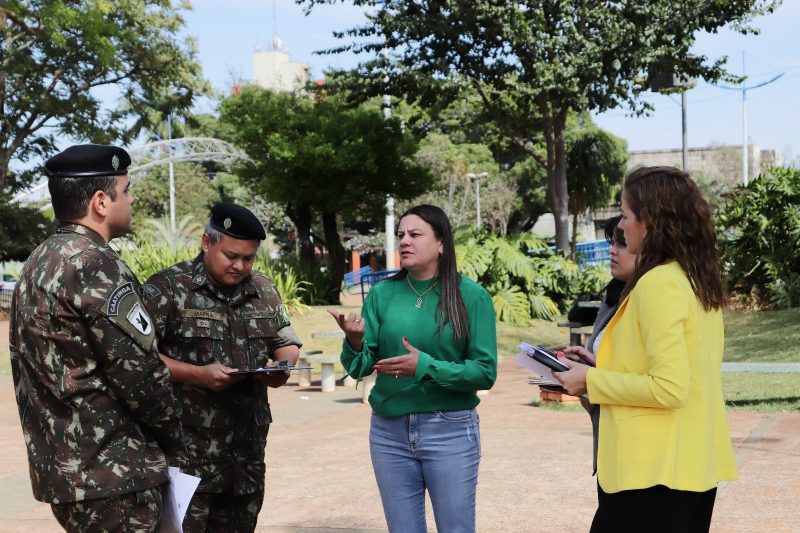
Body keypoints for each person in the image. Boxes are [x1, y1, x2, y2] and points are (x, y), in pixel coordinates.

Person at [9, 144, 184, 531]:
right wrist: (176, 439)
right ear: (101, 201)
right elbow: (140, 374)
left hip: (69, 474)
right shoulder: (95, 262)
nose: (132, 198)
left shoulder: (40, 260)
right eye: (127, 189)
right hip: (116, 475)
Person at [554, 166, 738, 533]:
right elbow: (677, 369)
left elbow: (669, 387)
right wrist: (597, 364)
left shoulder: (657, 283)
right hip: (690, 468)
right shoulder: (694, 279)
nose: (620, 227)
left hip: (651, 474)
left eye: (625, 215)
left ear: (650, 222)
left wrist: (591, 380)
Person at [328, 204, 497, 533]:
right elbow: (360, 368)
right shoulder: (381, 295)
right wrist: (355, 341)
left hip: (450, 431)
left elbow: (484, 372)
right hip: (388, 434)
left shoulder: (472, 297)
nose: (404, 240)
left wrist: (426, 367)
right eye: (401, 234)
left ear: (441, 244)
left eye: (415, 234)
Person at [142, 202, 302, 532]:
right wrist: (197, 374)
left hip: (245, 461)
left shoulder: (263, 289)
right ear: (206, 242)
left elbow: (285, 339)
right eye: (231, 255)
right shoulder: (168, 288)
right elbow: (139, 358)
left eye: (248, 258)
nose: (240, 265)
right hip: (188, 462)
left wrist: (282, 367)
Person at [559, 215, 636, 479]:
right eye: (611, 242)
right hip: (607, 441)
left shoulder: (654, 296)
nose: (612, 250)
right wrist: (586, 364)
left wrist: (592, 380)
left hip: (640, 449)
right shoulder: (613, 296)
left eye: (622, 244)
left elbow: (662, 383)